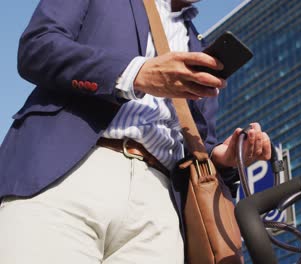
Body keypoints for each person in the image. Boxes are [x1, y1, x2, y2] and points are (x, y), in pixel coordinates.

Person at [0, 0, 271, 263]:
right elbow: (37, 48)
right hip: (67, 172)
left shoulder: (199, 47)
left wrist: (223, 157)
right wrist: (135, 73)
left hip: (160, 206)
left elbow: (201, 139)